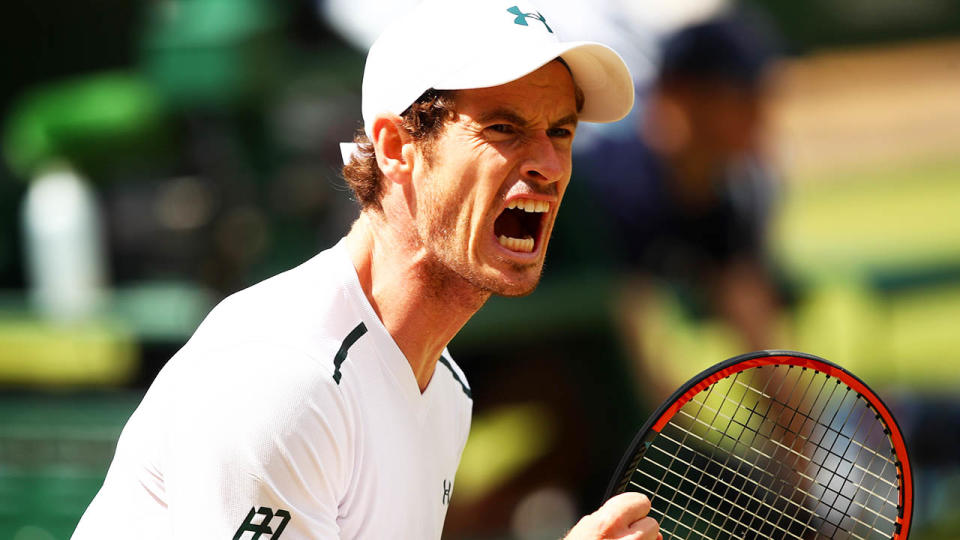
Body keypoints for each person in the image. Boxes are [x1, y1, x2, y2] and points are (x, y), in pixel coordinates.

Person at [73, 0, 661, 538]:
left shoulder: (444, 389)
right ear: (396, 146)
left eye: (561, 131)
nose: (548, 165)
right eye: (503, 128)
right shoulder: (287, 380)